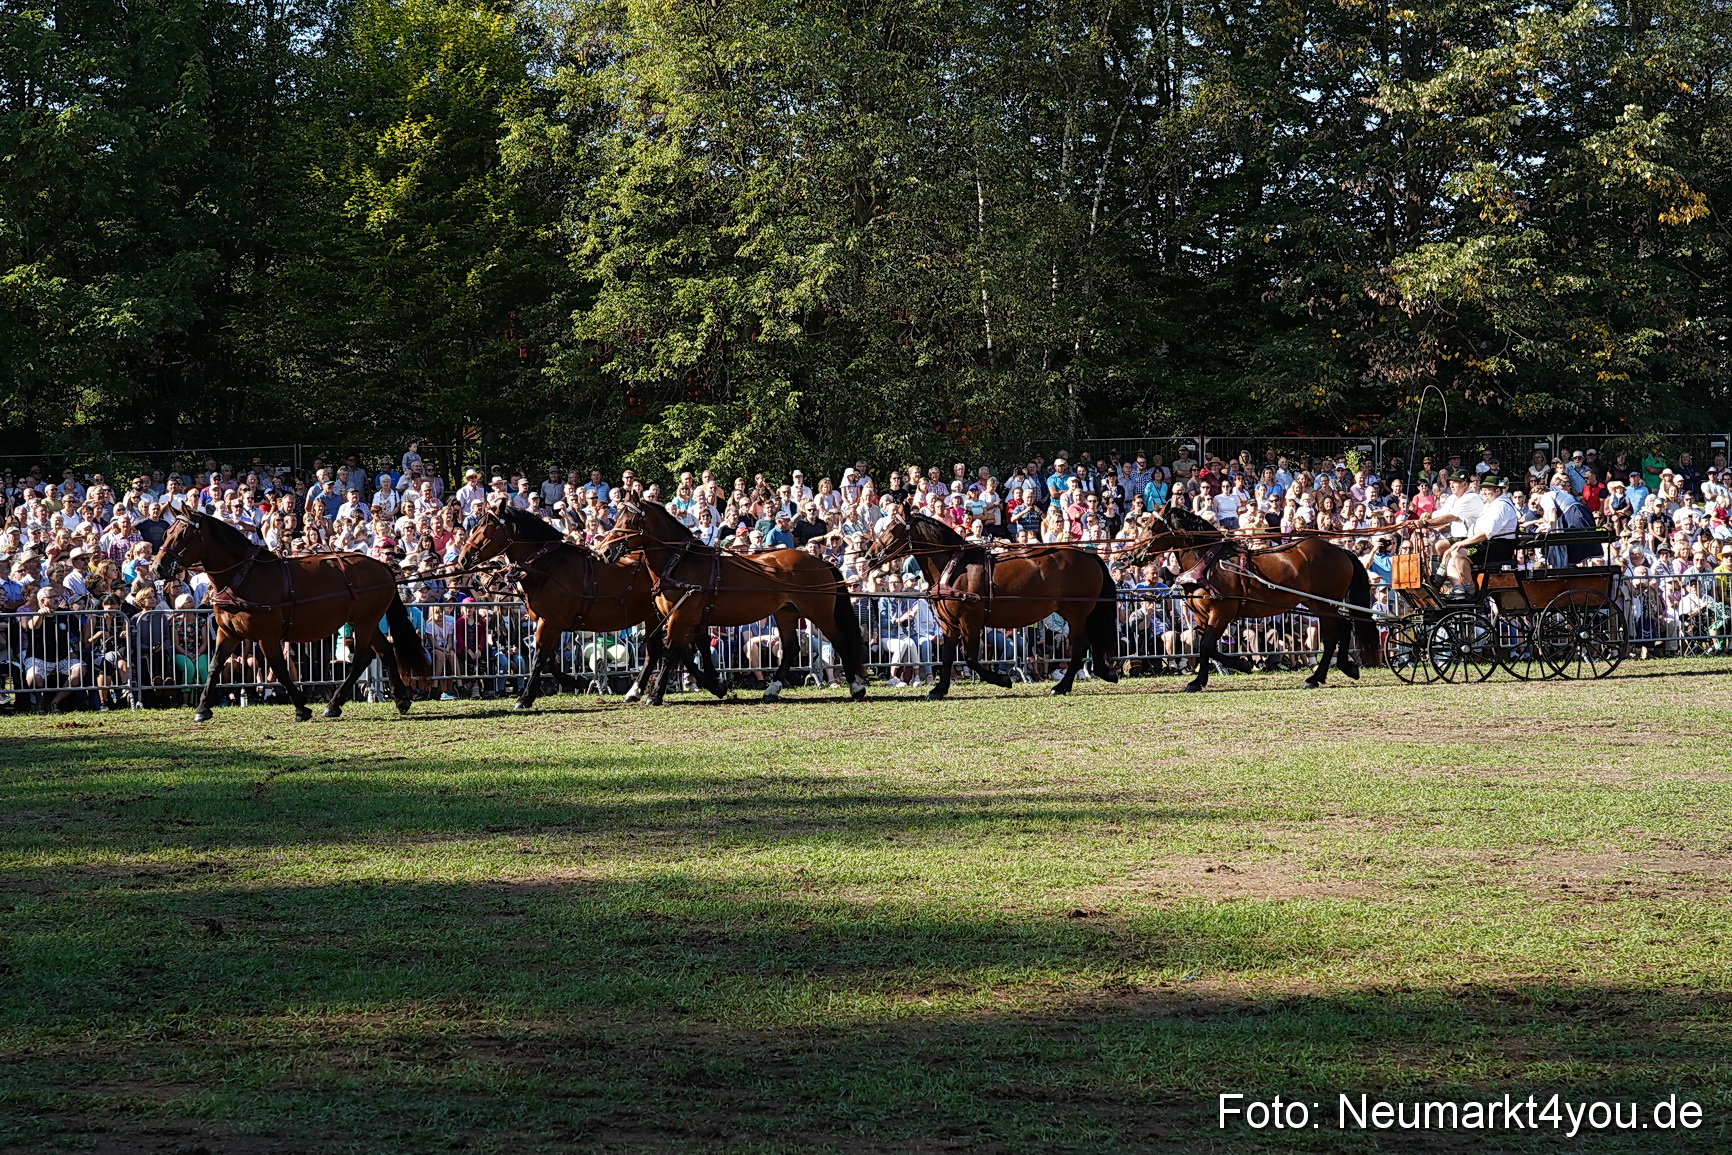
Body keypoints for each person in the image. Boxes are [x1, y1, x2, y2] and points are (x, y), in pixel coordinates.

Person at [1440, 476, 1518, 597]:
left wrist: (1461, 543)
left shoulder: (1501, 506)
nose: (1484, 492)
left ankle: (1469, 589)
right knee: (1451, 555)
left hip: (1498, 548)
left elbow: (1485, 533)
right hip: (1487, 545)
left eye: (1487, 490)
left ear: (1497, 491)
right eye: (1482, 490)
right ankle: (1458, 589)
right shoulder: (1489, 505)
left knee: (1458, 552)